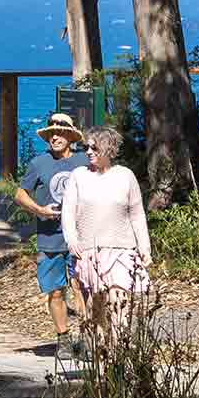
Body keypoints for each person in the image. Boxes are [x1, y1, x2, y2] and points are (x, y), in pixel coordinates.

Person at [60, 125, 151, 350]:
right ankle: (102, 368)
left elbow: (137, 214)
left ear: (108, 148)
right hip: (89, 252)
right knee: (97, 312)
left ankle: (119, 357)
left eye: (94, 147)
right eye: (86, 147)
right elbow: (68, 212)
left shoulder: (125, 176)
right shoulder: (78, 176)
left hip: (122, 250)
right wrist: (72, 241)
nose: (89, 152)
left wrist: (145, 247)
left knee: (119, 305)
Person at [15, 112, 89, 361]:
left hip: (81, 236)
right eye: (51, 133)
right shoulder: (39, 163)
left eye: (60, 132)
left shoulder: (83, 160)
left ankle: (87, 337)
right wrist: (39, 210)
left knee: (82, 287)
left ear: (70, 136)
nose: (55, 136)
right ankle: (64, 339)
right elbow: (20, 194)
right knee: (56, 291)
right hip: (49, 237)